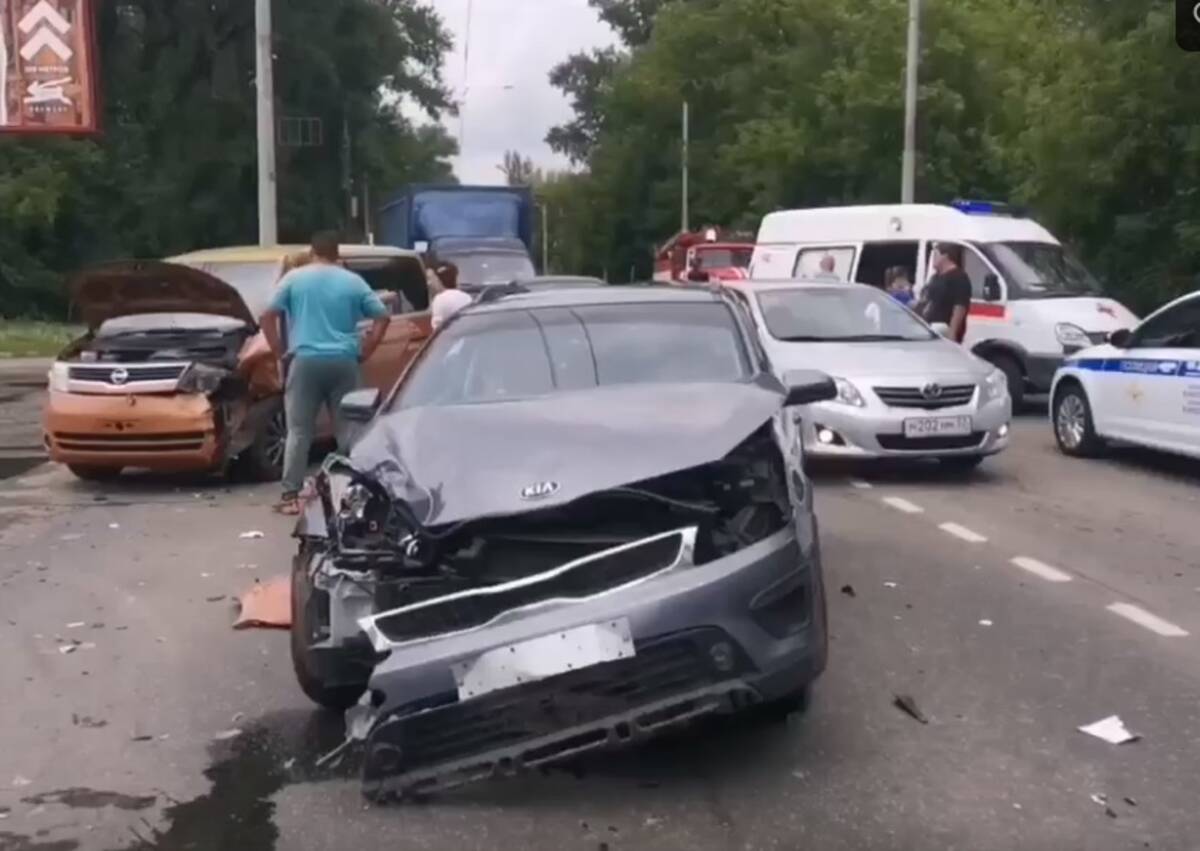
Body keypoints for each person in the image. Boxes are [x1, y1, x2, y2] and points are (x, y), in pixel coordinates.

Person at [260, 231, 389, 515]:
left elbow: (267, 315)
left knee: (298, 430)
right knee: (349, 431)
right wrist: (367, 348)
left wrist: (280, 351)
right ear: (337, 253)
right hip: (344, 360)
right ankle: (350, 493)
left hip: (305, 360)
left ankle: (290, 496)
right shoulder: (352, 281)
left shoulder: (295, 278)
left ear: (312, 252)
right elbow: (382, 316)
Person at [919, 243, 972, 342]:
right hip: (930, 328)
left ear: (945, 256)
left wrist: (952, 332)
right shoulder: (935, 277)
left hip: (944, 329)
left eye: (935, 255)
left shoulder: (959, 277)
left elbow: (960, 306)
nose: (933, 259)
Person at [429, 261, 472, 330]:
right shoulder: (467, 297)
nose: (430, 283)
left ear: (439, 280)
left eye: (431, 278)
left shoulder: (439, 299)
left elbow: (437, 328)